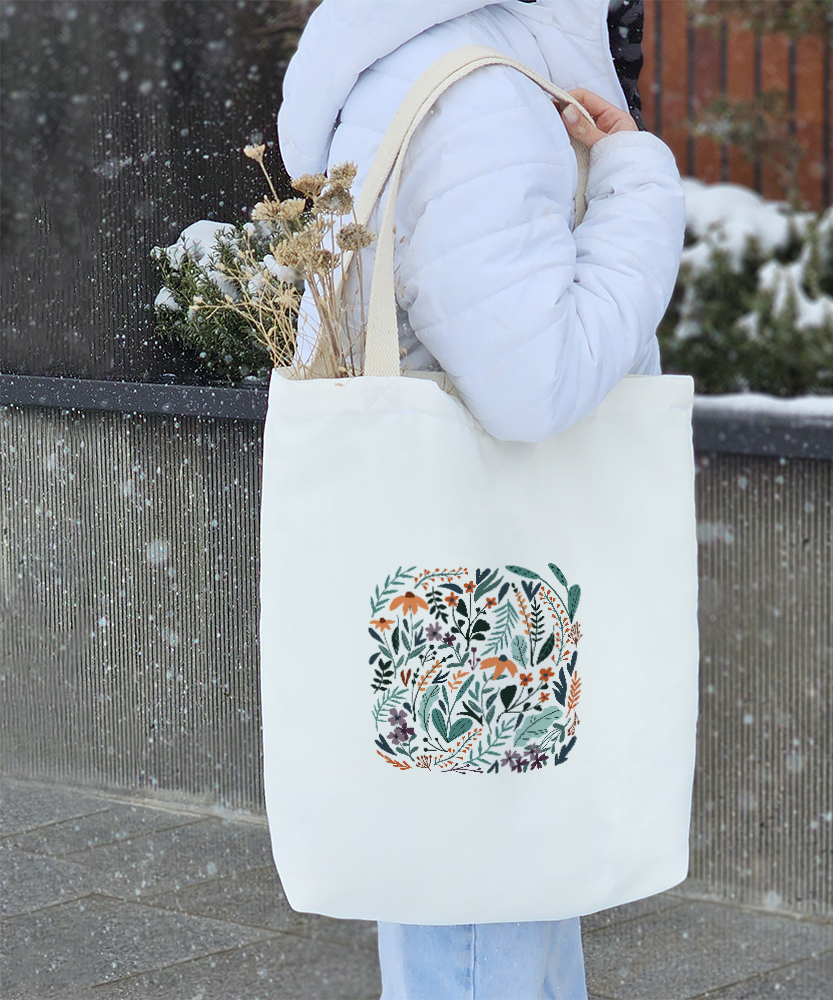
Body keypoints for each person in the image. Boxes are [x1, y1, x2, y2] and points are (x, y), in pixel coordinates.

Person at [277, 1, 685, 996]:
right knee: (484, 914)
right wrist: (637, 185)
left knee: (487, 893)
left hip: (454, 590)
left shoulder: (428, 60)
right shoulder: (479, 95)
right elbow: (532, 384)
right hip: (486, 597)